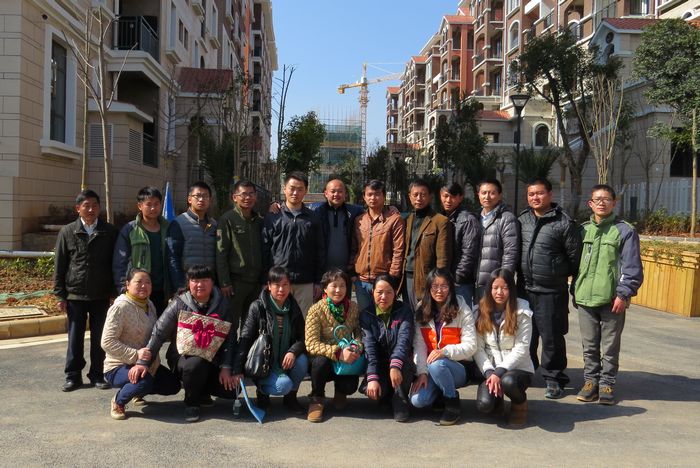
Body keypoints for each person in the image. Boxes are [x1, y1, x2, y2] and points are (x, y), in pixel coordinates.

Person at [572, 184, 643, 406]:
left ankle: (607, 383)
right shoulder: (582, 230)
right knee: (589, 345)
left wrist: (623, 294)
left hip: (612, 300)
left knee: (610, 346)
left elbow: (632, 268)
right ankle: (590, 382)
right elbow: (575, 264)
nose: (601, 203)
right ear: (590, 203)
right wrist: (574, 289)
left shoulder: (625, 231)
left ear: (614, 203)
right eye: (597, 199)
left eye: (606, 199)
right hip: (585, 298)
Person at [140, 264, 238, 423]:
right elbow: (159, 332)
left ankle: (202, 392)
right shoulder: (179, 303)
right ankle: (192, 402)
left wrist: (226, 368)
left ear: (212, 282)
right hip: (184, 358)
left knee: (232, 390)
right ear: (188, 283)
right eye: (195, 280)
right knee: (195, 364)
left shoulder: (223, 304)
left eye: (205, 280)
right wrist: (144, 362)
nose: (200, 284)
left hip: (214, 359)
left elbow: (230, 339)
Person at [518, 178, 581, 399]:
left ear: (550, 194)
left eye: (539, 193)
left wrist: (559, 276)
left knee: (552, 337)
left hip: (551, 291)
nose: (535, 197)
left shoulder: (564, 222)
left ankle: (554, 378)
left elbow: (575, 259)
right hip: (524, 289)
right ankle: (525, 372)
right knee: (525, 335)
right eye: (531, 194)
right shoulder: (522, 219)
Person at [54, 189, 118, 392]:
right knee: (75, 338)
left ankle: (97, 374)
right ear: (78, 208)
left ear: (100, 208)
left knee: (100, 337)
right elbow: (60, 264)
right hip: (75, 293)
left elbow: (115, 263)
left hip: (101, 294)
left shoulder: (109, 231)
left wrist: (114, 292)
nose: (91, 210)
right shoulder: (67, 232)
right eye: (86, 206)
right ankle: (73, 376)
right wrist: (60, 294)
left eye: (95, 206)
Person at [101, 269, 181, 419]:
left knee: (173, 385)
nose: (144, 286)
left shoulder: (149, 304)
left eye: (148, 282)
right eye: (138, 282)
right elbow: (107, 342)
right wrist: (136, 354)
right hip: (118, 365)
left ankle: (137, 392)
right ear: (127, 284)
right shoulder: (120, 307)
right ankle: (118, 401)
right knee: (144, 381)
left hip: (147, 364)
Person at [232, 266, 307, 414]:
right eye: (277, 285)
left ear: (290, 286)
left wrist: (293, 351)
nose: (281, 289)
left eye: (285, 285)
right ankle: (262, 393)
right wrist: (237, 369)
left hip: (285, 359)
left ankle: (290, 398)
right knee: (283, 385)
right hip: (263, 362)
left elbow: (302, 337)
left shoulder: (293, 306)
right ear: (269, 286)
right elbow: (245, 337)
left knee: (302, 361)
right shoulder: (258, 306)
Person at [410, 268, 476, 426]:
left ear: (451, 288)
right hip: (432, 367)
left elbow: (471, 346)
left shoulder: (462, 308)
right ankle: (441, 392)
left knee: (437, 364)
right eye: (434, 286)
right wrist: (422, 372)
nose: (439, 290)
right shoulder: (421, 309)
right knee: (418, 400)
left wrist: (445, 352)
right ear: (428, 288)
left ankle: (452, 402)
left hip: (458, 366)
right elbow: (419, 345)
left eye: (444, 286)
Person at [474, 268, 534, 428]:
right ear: (489, 289)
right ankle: (497, 400)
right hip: (491, 368)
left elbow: (522, 348)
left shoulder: (522, 310)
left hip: (518, 369)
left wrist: (499, 372)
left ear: (511, 290)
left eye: (505, 288)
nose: (499, 292)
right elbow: (478, 348)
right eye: (495, 288)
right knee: (484, 405)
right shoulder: (480, 310)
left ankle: (520, 405)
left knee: (508, 382)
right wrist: (489, 373)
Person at [263, 172, 325, 316]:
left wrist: (318, 281)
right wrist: (264, 280)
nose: (295, 193)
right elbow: (265, 249)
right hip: (278, 281)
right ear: (284, 188)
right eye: (292, 188)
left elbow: (320, 251)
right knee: (277, 321)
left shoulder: (313, 218)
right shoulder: (273, 216)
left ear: (306, 191)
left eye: (300, 189)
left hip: (305, 282)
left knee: (303, 321)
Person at [304, 268, 363, 423]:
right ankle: (317, 399)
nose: (338, 290)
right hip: (324, 359)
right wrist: (338, 353)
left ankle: (340, 392)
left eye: (342, 286)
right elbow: (310, 343)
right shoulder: (316, 309)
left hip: (345, 358)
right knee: (320, 362)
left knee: (350, 386)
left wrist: (356, 347)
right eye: (334, 286)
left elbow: (359, 333)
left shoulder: (353, 307)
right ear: (325, 288)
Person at [113, 186, 181, 315]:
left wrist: (177, 286)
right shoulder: (129, 230)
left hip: (162, 290)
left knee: (160, 325)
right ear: (140, 206)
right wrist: (123, 288)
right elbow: (120, 262)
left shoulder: (169, 228)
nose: (153, 208)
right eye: (149, 204)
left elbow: (175, 258)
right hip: (138, 290)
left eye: (156, 204)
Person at [359, 274, 414, 422]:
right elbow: (369, 348)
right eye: (379, 292)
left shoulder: (404, 311)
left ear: (395, 293)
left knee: (404, 364)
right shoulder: (366, 314)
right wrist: (372, 377)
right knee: (374, 390)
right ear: (373, 292)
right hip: (380, 364)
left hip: (401, 363)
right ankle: (387, 395)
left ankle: (400, 400)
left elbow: (404, 341)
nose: (384, 297)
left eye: (389, 292)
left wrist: (395, 365)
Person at [216, 179, 264, 335]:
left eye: (251, 194)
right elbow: (221, 252)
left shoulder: (259, 220)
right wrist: (224, 281)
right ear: (234, 197)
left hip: (255, 282)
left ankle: (246, 351)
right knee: (231, 324)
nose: (248, 197)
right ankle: (230, 351)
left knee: (251, 325)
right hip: (235, 283)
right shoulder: (227, 219)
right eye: (243, 194)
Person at [350, 180, 405, 311]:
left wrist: (392, 278)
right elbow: (354, 248)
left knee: (384, 318)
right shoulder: (359, 220)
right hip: (361, 281)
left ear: (384, 196)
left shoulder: (394, 220)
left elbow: (398, 251)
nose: (373, 198)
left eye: (377, 194)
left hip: (383, 281)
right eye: (369, 194)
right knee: (365, 318)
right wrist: (352, 273)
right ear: (364, 197)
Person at [402, 179, 452, 312]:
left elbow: (443, 256)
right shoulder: (406, 220)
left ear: (430, 197)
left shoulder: (440, 221)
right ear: (409, 197)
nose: (419, 198)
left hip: (427, 277)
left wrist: (439, 282)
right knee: (408, 315)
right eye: (415, 195)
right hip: (406, 276)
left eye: (423, 194)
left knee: (425, 315)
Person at [475, 179, 519, 300]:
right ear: (478, 194)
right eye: (483, 193)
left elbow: (510, 253)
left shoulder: (507, 219)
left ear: (499, 195)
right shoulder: (475, 218)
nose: (487, 197)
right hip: (476, 283)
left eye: (492, 193)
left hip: (495, 284)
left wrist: (503, 280)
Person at [169, 181, 218, 286]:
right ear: (189, 199)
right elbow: (173, 257)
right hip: (188, 283)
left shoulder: (214, 224)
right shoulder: (179, 223)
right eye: (197, 196)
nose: (201, 199)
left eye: (205, 196)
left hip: (209, 283)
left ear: (210, 200)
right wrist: (179, 285)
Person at [440, 182, 481, 306]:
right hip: (444, 279)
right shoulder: (441, 217)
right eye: (445, 196)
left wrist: (457, 278)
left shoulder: (468, 219)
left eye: (453, 196)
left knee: (462, 314)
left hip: (460, 282)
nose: (448, 200)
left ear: (460, 197)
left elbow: (469, 253)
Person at [315, 178, 364, 273]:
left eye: (340, 191)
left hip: (348, 270)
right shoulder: (316, 213)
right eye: (333, 191)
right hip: (322, 270)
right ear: (326, 193)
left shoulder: (355, 212)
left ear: (345, 194)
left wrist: (388, 209)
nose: (336, 194)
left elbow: (373, 213)